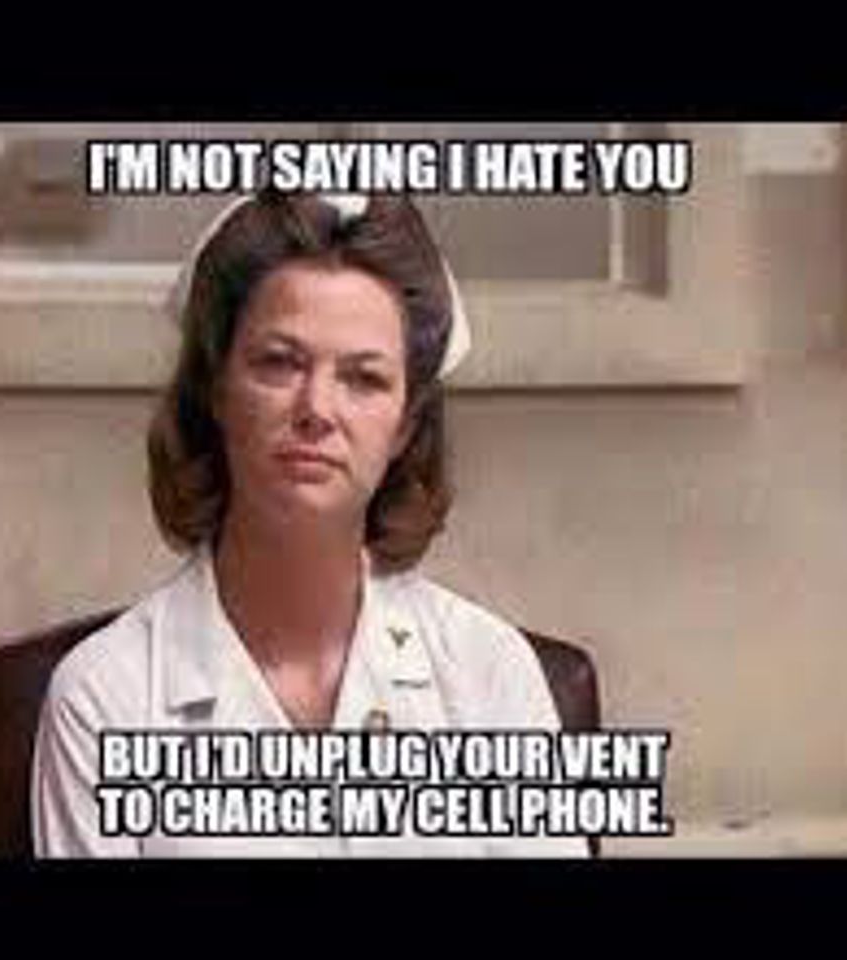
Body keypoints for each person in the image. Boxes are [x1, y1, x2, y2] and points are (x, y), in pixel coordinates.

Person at [31, 190, 588, 857]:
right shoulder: (105, 695)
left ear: (404, 426)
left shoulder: (488, 671)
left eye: (363, 379)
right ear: (215, 388)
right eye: (280, 363)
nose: (316, 408)